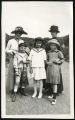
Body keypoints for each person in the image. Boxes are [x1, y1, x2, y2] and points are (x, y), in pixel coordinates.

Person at [6, 26, 28, 95]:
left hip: (21, 58)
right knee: (13, 73)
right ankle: (13, 89)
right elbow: (6, 49)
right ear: (15, 33)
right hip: (13, 58)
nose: (18, 34)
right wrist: (12, 51)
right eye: (17, 33)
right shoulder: (10, 41)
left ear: (21, 34)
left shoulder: (22, 41)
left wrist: (27, 51)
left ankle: (22, 89)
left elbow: (25, 49)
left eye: (20, 33)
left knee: (23, 74)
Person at [44, 25, 64, 95]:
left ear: (56, 32)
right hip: (49, 59)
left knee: (56, 75)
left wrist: (58, 61)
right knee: (49, 74)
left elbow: (59, 52)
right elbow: (47, 50)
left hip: (55, 61)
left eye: (54, 32)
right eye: (52, 32)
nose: (53, 33)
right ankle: (50, 89)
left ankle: (56, 90)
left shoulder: (58, 40)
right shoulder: (49, 40)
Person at [46, 39, 64, 105]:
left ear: (56, 46)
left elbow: (62, 59)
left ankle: (54, 98)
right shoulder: (48, 52)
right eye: (51, 45)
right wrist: (48, 63)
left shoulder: (59, 52)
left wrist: (58, 61)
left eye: (53, 45)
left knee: (55, 83)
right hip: (49, 68)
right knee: (51, 82)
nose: (52, 46)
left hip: (56, 68)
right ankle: (52, 94)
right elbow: (46, 60)